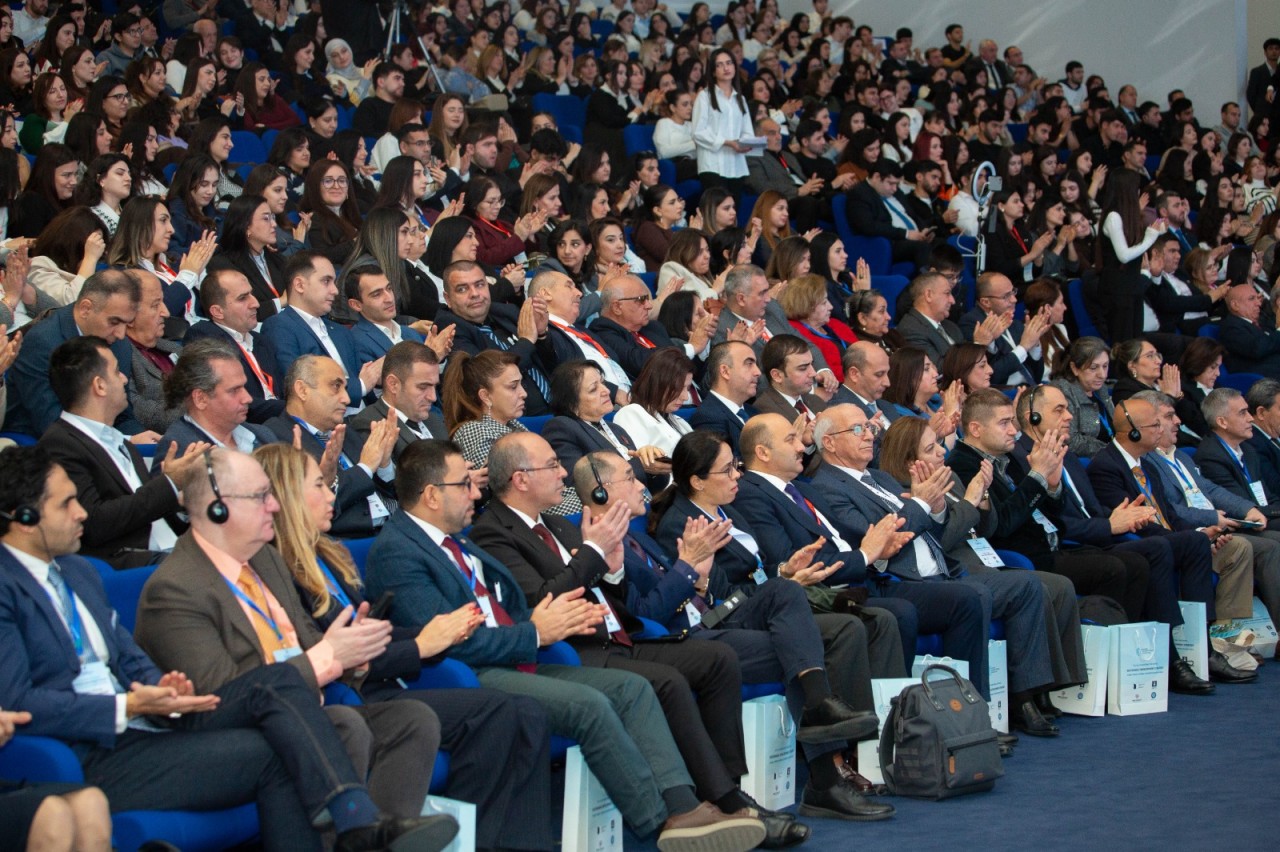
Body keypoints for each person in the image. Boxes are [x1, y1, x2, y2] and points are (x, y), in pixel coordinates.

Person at [0, 445, 458, 852]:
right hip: (86, 747)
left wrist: (160, 687)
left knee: (289, 700)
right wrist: (126, 705)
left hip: (152, 728)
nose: (83, 513)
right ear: (22, 518)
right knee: (282, 728)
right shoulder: (7, 586)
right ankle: (357, 820)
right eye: (67, 504)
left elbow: (126, 657)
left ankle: (359, 822)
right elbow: (18, 700)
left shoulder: (79, 573)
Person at [363, 439, 768, 852]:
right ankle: (662, 819)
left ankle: (682, 804)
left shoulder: (456, 542)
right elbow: (452, 643)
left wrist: (544, 624)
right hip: (475, 671)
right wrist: (537, 631)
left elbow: (510, 607)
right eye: (464, 484)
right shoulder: (399, 552)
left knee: (633, 689)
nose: (475, 492)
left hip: (520, 653)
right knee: (589, 704)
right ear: (431, 495)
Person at [472, 431, 803, 832]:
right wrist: (596, 554)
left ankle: (727, 790)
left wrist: (613, 566)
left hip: (621, 635)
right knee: (666, 681)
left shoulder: (559, 524)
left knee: (716, 659)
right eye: (552, 466)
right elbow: (540, 602)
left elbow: (616, 596)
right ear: (521, 479)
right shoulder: (492, 534)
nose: (562, 474)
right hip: (575, 649)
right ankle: (712, 804)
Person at [253, 442, 557, 851]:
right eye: (321, 486)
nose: (332, 496)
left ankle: (515, 843)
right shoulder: (279, 571)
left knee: (524, 712)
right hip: (352, 692)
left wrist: (427, 635)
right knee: (497, 712)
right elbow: (336, 653)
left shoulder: (327, 554)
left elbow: (370, 632)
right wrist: (422, 643)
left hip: (375, 680)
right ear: (287, 497)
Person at [879, 414, 1089, 713]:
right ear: (909, 460)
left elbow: (986, 530)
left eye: (939, 444)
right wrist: (968, 502)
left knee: (1057, 585)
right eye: (930, 449)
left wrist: (984, 498)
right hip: (951, 571)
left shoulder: (949, 477)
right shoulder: (904, 489)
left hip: (982, 560)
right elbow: (942, 539)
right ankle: (1024, 697)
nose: (941, 451)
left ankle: (1052, 687)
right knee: (1029, 586)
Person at [1084, 395, 1256, 685]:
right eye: (1154, 425)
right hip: (1128, 542)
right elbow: (1136, 523)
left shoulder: (1148, 466)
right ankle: (1172, 658)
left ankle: (1203, 643)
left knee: (1195, 541)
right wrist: (1185, 537)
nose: (1161, 430)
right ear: (1133, 432)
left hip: (1161, 537)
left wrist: (1199, 534)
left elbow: (1169, 517)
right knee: (1170, 543)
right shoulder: (1106, 467)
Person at [35, 335, 195, 568]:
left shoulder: (120, 440)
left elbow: (152, 508)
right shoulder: (59, 445)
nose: (123, 379)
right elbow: (94, 522)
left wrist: (185, 496)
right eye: (117, 371)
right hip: (131, 563)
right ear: (99, 386)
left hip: (173, 549)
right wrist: (168, 484)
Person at [1140, 388, 1280, 631]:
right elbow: (1170, 509)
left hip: (1214, 526)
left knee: (1273, 539)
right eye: (1170, 416)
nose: (1178, 421)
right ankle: (1230, 635)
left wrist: (1247, 509)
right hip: (1192, 534)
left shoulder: (1181, 456)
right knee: (1255, 546)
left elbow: (1211, 490)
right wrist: (1212, 518)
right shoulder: (1147, 461)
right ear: (1148, 423)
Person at [7, 269, 148, 438]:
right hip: (36, 442)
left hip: (97, 438)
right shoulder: (43, 342)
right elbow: (49, 422)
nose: (121, 334)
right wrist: (121, 441)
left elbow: (122, 414)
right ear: (85, 308)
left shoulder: (119, 344)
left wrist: (140, 439)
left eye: (127, 323)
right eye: (114, 321)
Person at [261, 251, 381, 410]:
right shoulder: (279, 326)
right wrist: (361, 386)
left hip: (369, 414)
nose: (335, 290)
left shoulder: (340, 331)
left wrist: (379, 376)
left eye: (334, 282)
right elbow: (299, 385)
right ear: (299, 285)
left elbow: (365, 377)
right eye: (326, 281)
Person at [435, 260, 555, 416]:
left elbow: (551, 364)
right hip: (516, 420)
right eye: (462, 289)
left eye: (479, 285)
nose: (475, 294)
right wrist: (526, 341)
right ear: (448, 298)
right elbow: (488, 377)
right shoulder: (449, 329)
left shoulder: (505, 312)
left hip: (556, 406)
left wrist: (541, 335)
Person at [184, 269, 285, 424]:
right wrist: (292, 409)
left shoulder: (261, 341)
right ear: (217, 311)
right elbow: (231, 401)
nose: (256, 303)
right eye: (243, 298)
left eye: (251, 294)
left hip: (280, 424)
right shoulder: (204, 336)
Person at [153, 337, 277, 460]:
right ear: (200, 399)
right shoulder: (180, 451)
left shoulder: (263, 435)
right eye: (234, 390)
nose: (248, 398)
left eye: (244, 387)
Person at [527, 269, 631, 400]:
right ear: (546, 293)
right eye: (569, 286)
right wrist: (616, 393)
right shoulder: (543, 333)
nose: (579, 293)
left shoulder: (583, 330)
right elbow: (566, 370)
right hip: (602, 404)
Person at [349, 341, 447, 460]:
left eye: (434, 387)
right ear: (393, 384)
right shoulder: (370, 426)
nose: (433, 397)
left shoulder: (434, 421)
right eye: (423, 387)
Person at [957, 272, 1050, 385]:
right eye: (1006, 296)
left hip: (1029, 389)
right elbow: (991, 376)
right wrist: (1024, 347)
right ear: (986, 302)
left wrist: (1034, 343)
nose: (1014, 299)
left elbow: (1037, 376)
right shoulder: (972, 324)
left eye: (1013, 292)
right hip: (1001, 394)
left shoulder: (1015, 323)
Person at [206, 194, 287, 321]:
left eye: (273, 217)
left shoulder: (277, 259)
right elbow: (242, 313)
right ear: (246, 226)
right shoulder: (223, 266)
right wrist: (283, 301)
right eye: (266, 218)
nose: (274, 224)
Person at [612, 347, 698, 454]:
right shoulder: (631, 413)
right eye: (678, 389)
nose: (685, 397)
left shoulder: (679, 422)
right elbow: (638, 462)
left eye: (687, 388)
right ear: (657, 384)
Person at [344, 262, 430, 366]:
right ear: (356, 305)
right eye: (377, 295)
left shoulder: (410, 333)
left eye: (389, 288)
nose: (389, 298)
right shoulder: (356, 342)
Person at [692, 49, 752, 196]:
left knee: (733, 214)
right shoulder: (704, 96)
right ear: (713, 71)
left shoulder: (741, 99)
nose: (726, 68)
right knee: (718, 212)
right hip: (712, 164)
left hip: (737, 165)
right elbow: (698, 132)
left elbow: (747, 131)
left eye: (729, 63)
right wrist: (727, 142)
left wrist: (746, 143)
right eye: (720, 65)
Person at [1048, 336, 1118, 458]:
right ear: (1075, 368)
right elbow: (1071, 441)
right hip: (1089, 463)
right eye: (1093, 368)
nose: (1102, 375)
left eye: (1105, 366)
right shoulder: (1062, 392)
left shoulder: (1100, 389)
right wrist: (1114, 451)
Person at [1219, 282, 1280, 376]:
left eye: (1258, 298)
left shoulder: (1262, 322)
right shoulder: (1231, 327)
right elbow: (1257, 349)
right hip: (1258, 377)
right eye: (1252, 299)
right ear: (1235, 305)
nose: (1259, 303)